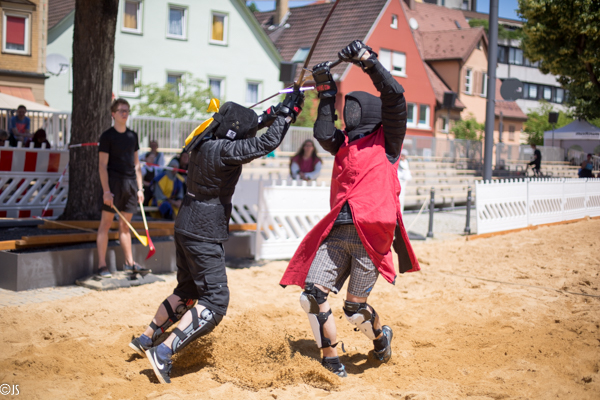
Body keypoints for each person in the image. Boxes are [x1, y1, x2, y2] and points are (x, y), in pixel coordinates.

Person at [130, 93, 304, 384]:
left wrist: (273, 114)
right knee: (215, 301)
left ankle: (147, 338)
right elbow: (264, 144)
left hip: (187, 222)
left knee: (187, 291)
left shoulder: (206, 142)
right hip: (204, 230)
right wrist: (286, 118)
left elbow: (251, 130)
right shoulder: (224, 151)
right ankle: (163, 352)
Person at [280, 40, 420, 378]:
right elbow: (323, 131)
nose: (350, 113)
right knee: (312, 295)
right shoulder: (343, 144)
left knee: (355, 310)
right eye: (347, 108)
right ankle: (330, 356)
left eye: (354, 110)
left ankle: (380, 335)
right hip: (338, 230)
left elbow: (395, 97)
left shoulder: (388, 141)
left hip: (371, 237)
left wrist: (367, 61)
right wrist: (326, 91)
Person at [97, 98, 149, 278]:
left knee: (125, 227)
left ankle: (130, 263)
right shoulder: (107, 136)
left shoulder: (132, 136)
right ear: (113, 114)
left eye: (127, 110)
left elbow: (136, 165)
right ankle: (102, 265)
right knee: (105, 224)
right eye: (121, 110)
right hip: (113, 184)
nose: (124, 113)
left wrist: (140, 189)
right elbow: (102, 166)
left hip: (130, 186)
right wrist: (106, 190)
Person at [397, 149, 412, 214]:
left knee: (401, 200)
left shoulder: (406, 162)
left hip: (403, 182)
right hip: (399, 181)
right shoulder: (398, 162)